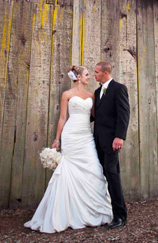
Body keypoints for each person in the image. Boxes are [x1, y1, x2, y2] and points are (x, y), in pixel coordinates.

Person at [24, 65, 112, 233]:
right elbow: (63, 117)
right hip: (71, 135)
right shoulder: (67, 95)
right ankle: (66, 213)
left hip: (86, 136)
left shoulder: (92, 95)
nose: (89, 77)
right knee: (68, 171)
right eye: (87, 74)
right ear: (78, 77)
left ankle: (92, 211)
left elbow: (95, 116)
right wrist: (57, 139)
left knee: (93, 168)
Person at [93, 62, 130, 229]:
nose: (94, 74)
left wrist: (119, 137)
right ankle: (105, 210)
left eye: (96, 72)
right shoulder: (97, 91)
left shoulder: (118, 88)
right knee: (105, 175)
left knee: (112, 175)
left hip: (112, 142)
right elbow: (97, 116)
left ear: (105, 73)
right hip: (98, 141)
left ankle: (120, 216)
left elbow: (124, 114)